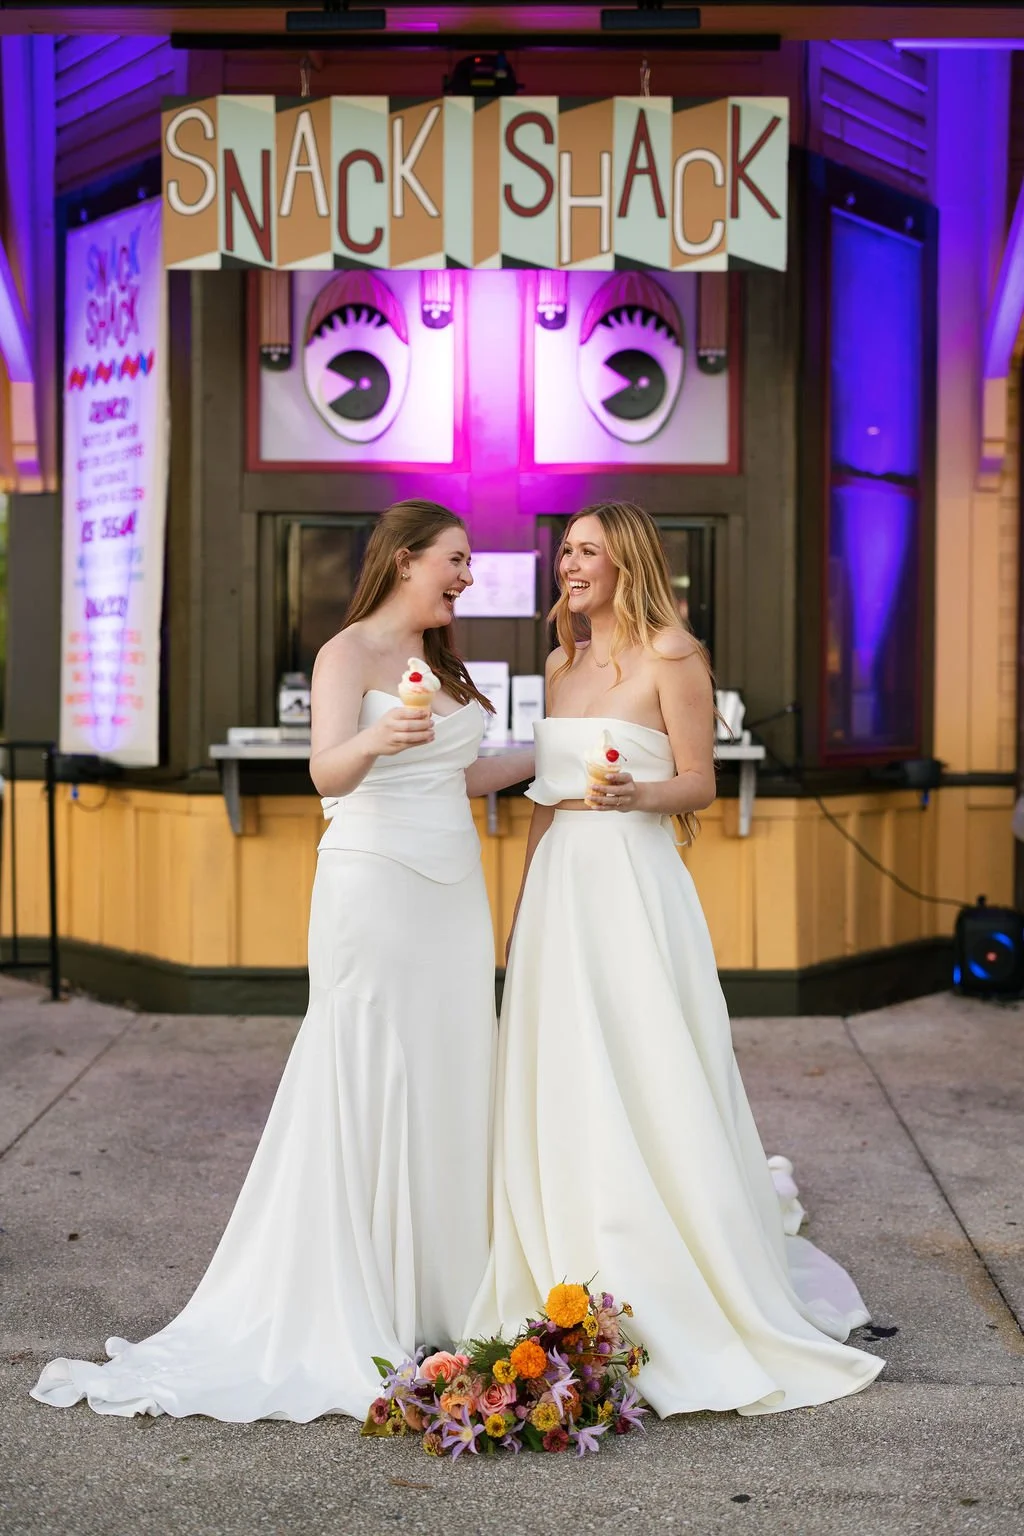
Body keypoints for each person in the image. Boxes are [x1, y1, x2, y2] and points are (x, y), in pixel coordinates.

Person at [32, 500, 533, 1422]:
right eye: (455, 561)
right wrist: (378, 737)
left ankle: (439, 1289)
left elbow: (459, 776)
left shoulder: (448, 664)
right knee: (371, 1062)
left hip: (454, 891)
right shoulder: (347, 655)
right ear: (406, 559)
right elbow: (325, 774)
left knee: (451, 1066)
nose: (468, 576)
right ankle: (356, 1285)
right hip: (372, 882)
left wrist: (553, 754)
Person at [467, 501, 885, 1417]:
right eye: (565, 551)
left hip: (634, 880)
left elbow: (699, 777)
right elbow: (544, 791)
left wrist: (638, 792)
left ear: (627, 563)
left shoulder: (674, 657)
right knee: (565, 1070)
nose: (569, 565)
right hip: (564, 886)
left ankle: (673, 1257)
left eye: (587, 552)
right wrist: (526, 895)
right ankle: (566, 1241)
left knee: (646, 1061)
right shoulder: (560, 663)